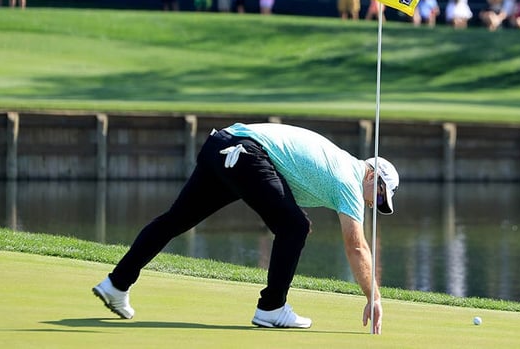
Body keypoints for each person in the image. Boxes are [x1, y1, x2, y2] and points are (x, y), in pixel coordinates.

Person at [91, 122, 400, 334]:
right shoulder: (349, 179)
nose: (374, 205)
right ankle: (271, 308)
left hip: (221, 145)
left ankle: (117, 284)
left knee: (176, 220)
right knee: (294, 226)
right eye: (380, 196)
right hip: (246, 152)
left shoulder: (339, 167)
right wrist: (373, 296)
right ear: (372, 176)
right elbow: (356, 246)